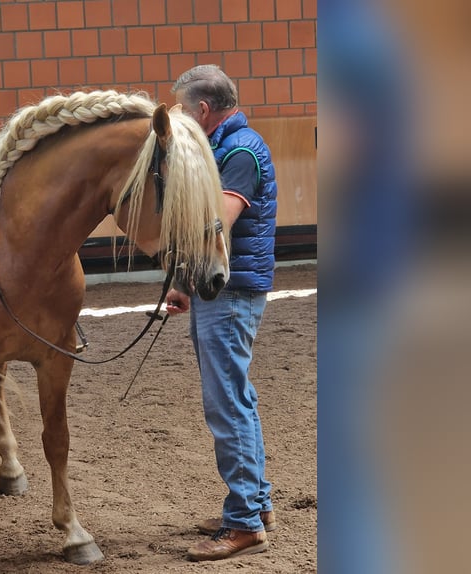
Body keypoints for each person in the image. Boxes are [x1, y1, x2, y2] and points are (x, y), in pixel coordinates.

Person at [166, 64, 278, 561]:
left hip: (229, 294)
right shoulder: (228, 146)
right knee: (238, 398)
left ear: (203, 111)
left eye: (185, 112)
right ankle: (255, 504)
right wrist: (183, 282)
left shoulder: (238, 151)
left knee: (227, 405)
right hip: (220, 290)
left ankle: (244, 525)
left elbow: (216, 225)